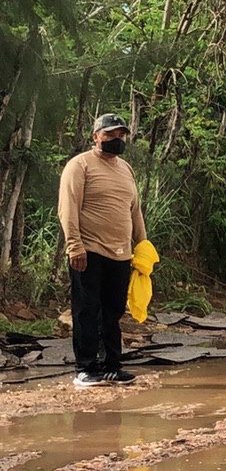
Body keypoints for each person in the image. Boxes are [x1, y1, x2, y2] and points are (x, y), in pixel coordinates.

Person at [58, 113, 149, 387]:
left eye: (120, 135)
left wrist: (143, 248)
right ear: (96, 136)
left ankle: (111, 366)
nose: (116, 139)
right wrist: (75, 246)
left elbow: (135, 211)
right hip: (89, 251)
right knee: (87, 310)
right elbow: (68, 208)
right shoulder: (80, 165)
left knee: (113, 311)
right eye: (110, 135)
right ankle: (86, 368)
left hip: (122, 254)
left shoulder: (126, 170)